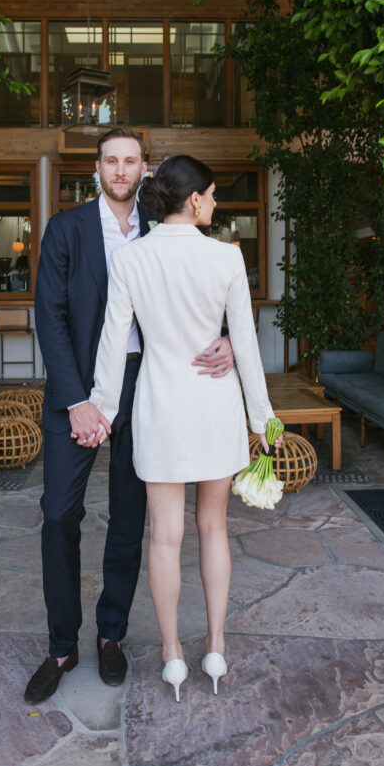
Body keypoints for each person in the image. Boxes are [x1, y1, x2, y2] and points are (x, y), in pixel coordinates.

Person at [25, 130, 234, 704]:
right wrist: (79, 399)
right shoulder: (66, 229)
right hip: (77, 396)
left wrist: (231, 343)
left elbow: (204, 293)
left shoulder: (164, 224)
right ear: (97, 168)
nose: (120, 170)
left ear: (145, 169)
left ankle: (111, 634)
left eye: (130, 161)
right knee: (58, 516)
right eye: (110, 160)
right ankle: (61, 646)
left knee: (128, 515)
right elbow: (51, 318)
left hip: (149, 391)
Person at [81, 155, 282, 702]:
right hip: (215, 405)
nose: (215, 204)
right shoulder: (226, 258)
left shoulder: (132, 259)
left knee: (163, 537)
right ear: (193, 200)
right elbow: (244, 343)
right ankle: (214, 645)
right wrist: (264, 420)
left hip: (159, 407)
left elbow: (110, 343)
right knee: (213, 528)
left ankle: (172, 654)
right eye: (213, 195)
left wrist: (102, 408)